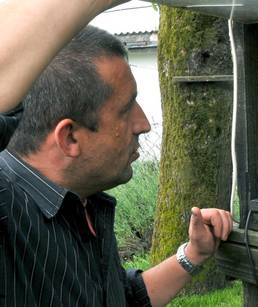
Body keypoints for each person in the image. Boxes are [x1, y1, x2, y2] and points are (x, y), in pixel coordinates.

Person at [0, 1, 233, 307]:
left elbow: (117, 296)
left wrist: (193, 254)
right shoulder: (7, 208)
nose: (144, 124)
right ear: (70, 137)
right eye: (126, 110)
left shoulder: (81, 200)